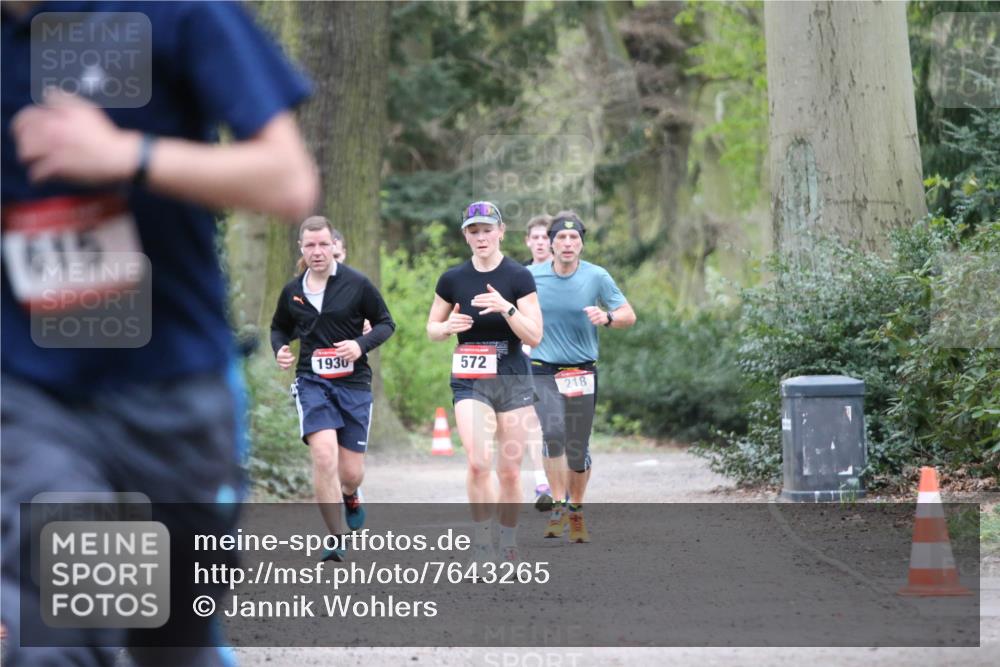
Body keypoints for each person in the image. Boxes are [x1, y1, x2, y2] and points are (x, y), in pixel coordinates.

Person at [1, 2, 318, 666]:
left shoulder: (175, 12)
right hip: (31, 397)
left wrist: (124, 155)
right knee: (58, 628)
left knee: (171, 642)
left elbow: (288, 179)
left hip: (172, 395)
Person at [271, 216, 395, 562]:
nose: (317, 251)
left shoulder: (357, 284)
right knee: (323, 454)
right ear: (301, 248)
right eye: (310, 245)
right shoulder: (293, 291)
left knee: (351, 473)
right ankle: (335, 536)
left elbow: (387, 323)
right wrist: (279, 348)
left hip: (353, 384)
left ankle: (351, 494)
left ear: (334, 246)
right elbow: (279, 328)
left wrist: (360, 345)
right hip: (312, 381)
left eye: (323, 244)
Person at [426, 201, 543, 564]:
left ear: (501, 231)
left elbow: (535, 335)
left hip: (512, 379)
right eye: (473, 231)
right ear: (465, 235)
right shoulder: (452, 279)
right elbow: (432, 329)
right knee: (478, 462)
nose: (481, 237)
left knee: (509, 471)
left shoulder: (518, 277)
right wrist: (446, 328)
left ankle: (508, 542)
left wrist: (506, 308)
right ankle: (482, 542)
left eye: (487, 230)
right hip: (470, 379)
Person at [529, 211, 636, 543]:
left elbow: (628, 315)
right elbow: (510, 310)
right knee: (553, 433)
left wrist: (606, 317)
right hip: (542, 368)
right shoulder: (529, 276)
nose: (567, 243)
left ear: (581, 244)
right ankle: (558, 504)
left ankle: (576, 509)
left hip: (581, 370)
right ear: (550, 242)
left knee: (577, 449)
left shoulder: (597, 276)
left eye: (574, 238)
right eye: (561, 237)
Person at [522, 214, 556, 509]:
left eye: (546, 237)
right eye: (536, 238)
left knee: (561, 421)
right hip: (530, 356)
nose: (541, 243)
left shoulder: (566, 274)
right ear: (527, 242)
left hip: (563, 358)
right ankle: (540, 480)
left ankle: (563, 480)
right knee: (533, 419)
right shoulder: (519, 276)